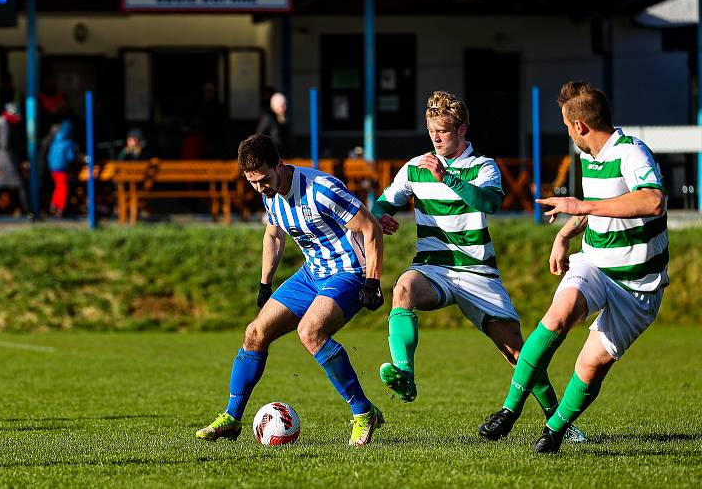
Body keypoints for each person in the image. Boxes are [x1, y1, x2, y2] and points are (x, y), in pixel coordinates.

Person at [371, 90, 586, 440]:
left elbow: (490, 202)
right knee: (403, 288)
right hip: (434, 267)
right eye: (431, 131)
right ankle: (404, 373)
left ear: (462, 130)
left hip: (477, 273)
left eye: (443, 131)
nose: (436, 138)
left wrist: (448, 178)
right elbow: (381, 204)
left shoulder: (483, 166)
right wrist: (380, 218)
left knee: (516, 350)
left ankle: (558, 418)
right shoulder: (415, 167)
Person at [478, 81, 668, 454]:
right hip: (595, 262)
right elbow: (599, 209)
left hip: (639, 284)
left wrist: (582, 207)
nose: (567, 132)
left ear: (580, 126)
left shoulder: (632, 153)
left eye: (567, 125)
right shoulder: (588, 156)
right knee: (559, 313)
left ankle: (554, 431)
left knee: (592, 364)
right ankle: (508, 411)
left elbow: (653, 200)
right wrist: (565, 233)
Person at [196, 134, 386, 446]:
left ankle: (364, 413)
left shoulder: (322, 190)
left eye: (264, 180)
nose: (260, 188)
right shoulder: (267, 193)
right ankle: (231, 417)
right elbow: (273, 237)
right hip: (312, 273)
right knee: (254, 333)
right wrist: (264, 283)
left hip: (349, 271)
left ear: (280, 166)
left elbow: (371, 228)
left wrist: (373, 281)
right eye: (252, 182)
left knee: (310, 332)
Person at [47, 120, 77, 217]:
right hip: (62, 168)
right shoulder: (68, 142)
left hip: (53, 168)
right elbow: (71, 157)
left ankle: (54, 204)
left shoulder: (56, 139)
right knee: (63, 188)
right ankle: (60, 208)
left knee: (59, 187)